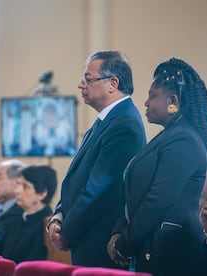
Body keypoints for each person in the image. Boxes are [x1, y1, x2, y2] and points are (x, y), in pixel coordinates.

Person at [107, 57, 207, 275]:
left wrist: (125, 244)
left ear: (172, 100)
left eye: (152, 96)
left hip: (173, 254)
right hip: (155, 246)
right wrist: (119, 230)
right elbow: (133, 196)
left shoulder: (184, 139)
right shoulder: (169, 136)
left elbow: (158, 200)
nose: (146, 103)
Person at [48, 50, 146, 268]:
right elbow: (76, 180)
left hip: (100, 243)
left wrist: (68, 231)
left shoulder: (124, 124)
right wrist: (59, 217)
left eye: (88, 79)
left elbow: (99, 190)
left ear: (112, 83)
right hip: (86, 239)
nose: (81, 85)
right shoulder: (105, 120)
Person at [2, 164, 57, 263]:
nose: (17, 191)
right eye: (18, 184)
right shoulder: (15, 218)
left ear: (42, 193)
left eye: (25, 186)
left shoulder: (48, 226)